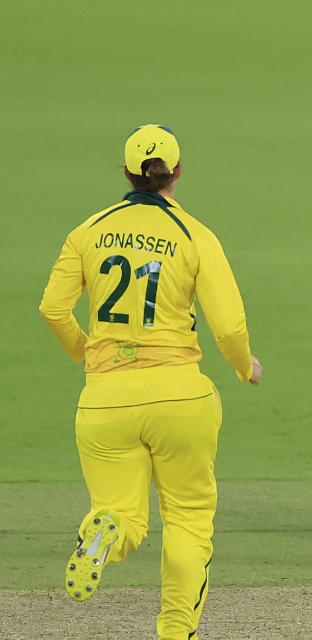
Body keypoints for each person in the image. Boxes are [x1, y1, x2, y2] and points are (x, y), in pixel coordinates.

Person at [38, 124, 264, 637]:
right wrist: (243, 365)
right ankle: (174, 631)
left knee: (122, 514)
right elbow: (227, 325)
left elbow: (52, 308)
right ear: (177, 172)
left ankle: (107, 536)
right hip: (179, 395)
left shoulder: (88, 231)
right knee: (187, 519)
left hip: (104, 400)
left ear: (126, 173)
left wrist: (86, 353)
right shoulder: (195, 235)